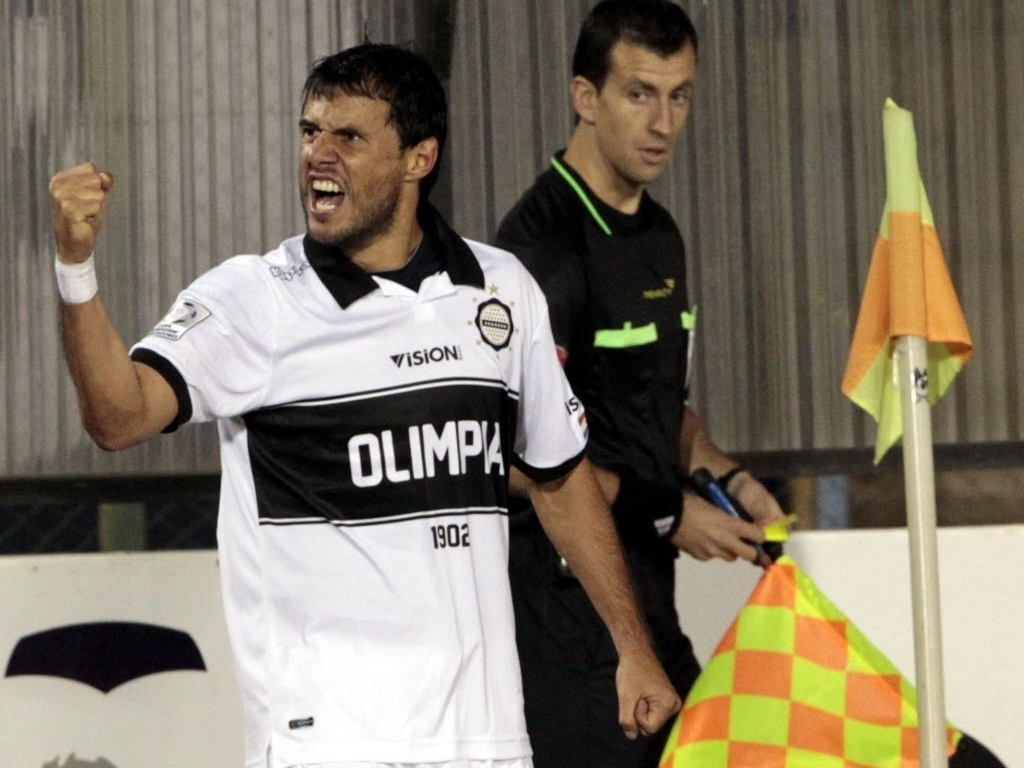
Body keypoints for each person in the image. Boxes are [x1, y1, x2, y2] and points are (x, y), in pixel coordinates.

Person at [48, 43, 680, 768]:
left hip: (486, 739)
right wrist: (76, 266)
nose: (319, 154)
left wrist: (633, 645)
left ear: (418, 158)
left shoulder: (502, 288)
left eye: (349, 136)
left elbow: (560, 478)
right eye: (310, 131)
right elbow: (117, 418)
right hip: (330, 741)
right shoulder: (256, 300)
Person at [495, 3, 786, 767]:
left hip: (648, 604)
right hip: (565, 616)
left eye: (679, 95)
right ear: (584, 98)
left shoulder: (661, 235)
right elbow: (513, 456)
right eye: (639, 93)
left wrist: (725, 473)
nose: (663, 121)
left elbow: (659, 401)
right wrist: (666, 511)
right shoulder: (536, 253)